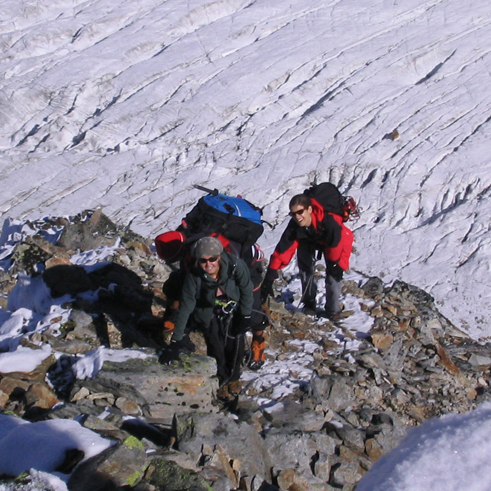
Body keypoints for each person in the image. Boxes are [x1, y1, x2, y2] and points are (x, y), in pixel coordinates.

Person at [159, 236, 254, 401]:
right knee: (216, 348)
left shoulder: (235, 265)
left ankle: (234, 377)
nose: (208, 264)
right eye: (203, 261)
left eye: (212, 259)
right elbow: (186, 307)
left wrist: (245, 315)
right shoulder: (193, 277)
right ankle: (222, 380)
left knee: (235, 347)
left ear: (219, 256)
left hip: (234, 310)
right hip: (208, 314)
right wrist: (176, 341)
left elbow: (246, 289)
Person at [261, 193, 353, 319]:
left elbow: (337, 244)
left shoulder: (330, 222)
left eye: (300, 212)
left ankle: (333, 310)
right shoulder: (296, 225)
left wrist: (335, 263)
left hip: (334, 241)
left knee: (334, 273)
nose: (297, 217)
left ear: (309, 209)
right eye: (293, 214)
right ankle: (309, 304)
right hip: (309, 237)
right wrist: (270, 275)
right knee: (305, 268)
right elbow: (283, 249)